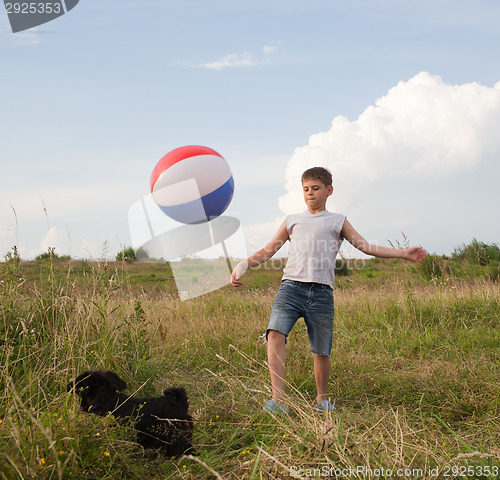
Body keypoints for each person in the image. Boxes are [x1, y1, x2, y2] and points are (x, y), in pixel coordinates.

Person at [230, 167, 426, 413]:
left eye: (315, 188)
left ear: (328, 190)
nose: (310, 193)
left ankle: (322, 401)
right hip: (290, 288)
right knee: (274, 335)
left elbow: (365, 246)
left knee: (322, 349)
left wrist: (402, 253)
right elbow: (269, 250)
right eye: (305, 189)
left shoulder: (337, 220)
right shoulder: (292, 220)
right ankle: (278, 401)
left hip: (321, 293)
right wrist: (243, 264)